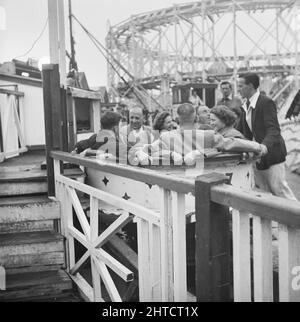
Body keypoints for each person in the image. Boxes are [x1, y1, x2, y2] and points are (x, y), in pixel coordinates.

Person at [133, 103, 267, 164]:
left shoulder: (166, 137)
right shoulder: (208, 135)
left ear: (177, 119)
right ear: (196, 117)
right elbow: (232, 143)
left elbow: (148, 151)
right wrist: (258, 147)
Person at [237, 72, 297, 200]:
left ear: (251, 86)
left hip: (272, 154)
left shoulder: (266, 102)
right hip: (257, 156)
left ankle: (296, 216)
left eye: (241, 86)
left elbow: (274, 130)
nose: (238, 89)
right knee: (263, 193)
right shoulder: (245, 105)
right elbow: (240, 130)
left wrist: (264, 146)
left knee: (279, 189)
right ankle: (274, 220)